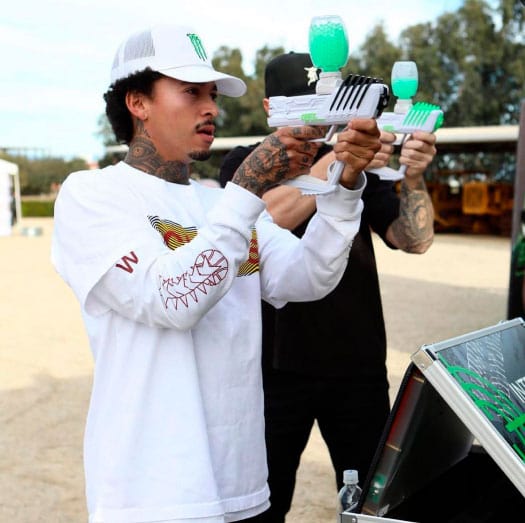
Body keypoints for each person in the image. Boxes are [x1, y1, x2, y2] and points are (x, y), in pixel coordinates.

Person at [51, 26, 383, 523]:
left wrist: (344, 188)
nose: (210, 107)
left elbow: (308, 276)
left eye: (211, 94)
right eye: (191, 92)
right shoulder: (92, 195)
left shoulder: (215, 200)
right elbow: (172, 301)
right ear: (137, 102)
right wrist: (248, 187)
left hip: (243, 487)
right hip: (153, 493)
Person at [219, 52, 437, 522]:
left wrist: (413, 177)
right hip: (273, 371)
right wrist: (337, 166)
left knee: (376, 507)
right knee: (262, 504)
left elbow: (412, 239)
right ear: (270, 108)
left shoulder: (357, 160)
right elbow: (256, 222)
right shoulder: (245, 163)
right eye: (306, 109)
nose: (320, 122)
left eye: (327, 106)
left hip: (355, 364)